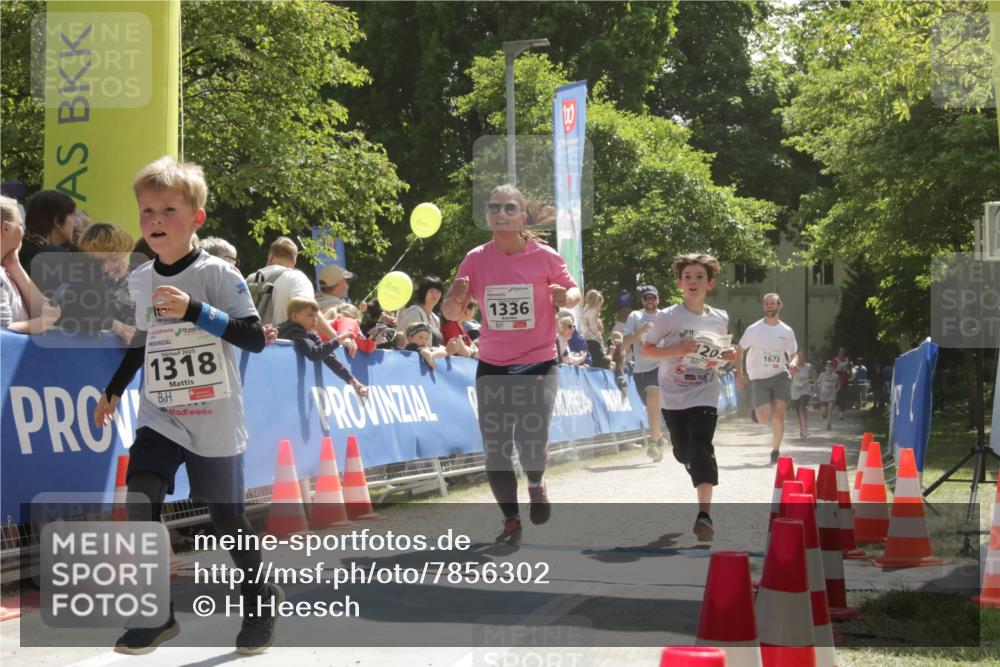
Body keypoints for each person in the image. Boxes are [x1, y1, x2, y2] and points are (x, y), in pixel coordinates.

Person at [91, 156, 281, 655]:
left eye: (168, 211)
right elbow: (144, 340)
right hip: (161, 411)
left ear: (196, 218)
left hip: (215, 414)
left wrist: (195, 309)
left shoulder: (218, 273)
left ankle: (259, 600)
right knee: (141, 498)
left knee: (227, 521)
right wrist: (114, 389)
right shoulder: (140, 279)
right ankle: (157, 615)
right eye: (147, 211)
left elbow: (253, 338)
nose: (155, 220)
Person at [441, 184, 580, 545]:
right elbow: (452, 312)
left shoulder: (545, 256)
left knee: (531, 441)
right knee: (496, 447)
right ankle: (511, 521)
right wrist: (456, 299)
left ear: (522, 217)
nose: (500, 213)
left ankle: (535, 481)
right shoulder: (475, 259)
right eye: (494, 208)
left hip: (538, 362)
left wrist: (565, 297)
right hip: (493, 364)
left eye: (509, 208)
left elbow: (573, 291)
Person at [641, 253, 735, 542]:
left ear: (710, 284)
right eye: (688, 277)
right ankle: (689, 459)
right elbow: (646, 350)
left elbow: (721, 353)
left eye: (699, 277)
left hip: (705, 392)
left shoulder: (720, 317)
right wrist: (676, 350)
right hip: (673, 396)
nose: (693, 282)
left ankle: (704, 516)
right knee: (684, 452)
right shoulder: (668, 316)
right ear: (679, 283)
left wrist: (728, 356)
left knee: (702, 447)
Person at [249, 237, 348, 352]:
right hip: (284, 352)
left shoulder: (250, 280)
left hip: (248, 350)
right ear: (294, 261)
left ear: (271, 256)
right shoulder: (297, 278)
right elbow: (309, 311)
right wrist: (336, 338)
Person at [735, 293, 799, 464]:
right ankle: (760, 411)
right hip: (759, 378)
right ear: (764, 306)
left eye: (772, 303)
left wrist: (793, 363)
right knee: (764, 419)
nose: (769, 305)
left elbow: (794, 353)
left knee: (779, 416)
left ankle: (775, 451)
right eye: (766, 303)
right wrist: (739, 373)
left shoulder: (786, 331)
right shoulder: (754, 329)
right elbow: (739, 350)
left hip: (780, 376)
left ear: (779, 305)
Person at [277, 297, 368, 397]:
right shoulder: (294, 331)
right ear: (294, 317)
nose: (315, 320)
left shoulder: (309, 334)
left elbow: (328, 357)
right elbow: (315, 354)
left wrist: (353, 381)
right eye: (310, 315)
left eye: (316, 316)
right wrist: (338, 340)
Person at [0, 195, 61, 333]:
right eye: (21, 225)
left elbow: (42, 310)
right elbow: (2, 332)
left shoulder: (7, 268)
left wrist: (14, 266)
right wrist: (42, 324)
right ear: (5, 228)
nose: (24, 232)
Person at [622, 285, 667, 462]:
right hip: (641, 369)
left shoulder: (664, 316)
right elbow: (624, 343)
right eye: (647, 298)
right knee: (650, 407)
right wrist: (641, 331)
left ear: (658, 299)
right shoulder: (635, 316)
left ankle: (654, 442)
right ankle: (659, 438)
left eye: (653, 298)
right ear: (642, 300)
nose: (650, 301)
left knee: (653, 397)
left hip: (661, 365)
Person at [21, 189, 77, 282]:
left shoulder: (15, 248)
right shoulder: (54, 256)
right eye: (72, 216)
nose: (75, 224)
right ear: (57, 221)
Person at [397, 275, 444, 346]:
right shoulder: (414, 313)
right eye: (431, 291)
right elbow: (406, 342)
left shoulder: (436, 319)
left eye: (438, 291)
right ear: (424, 292)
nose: (435, 294)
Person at [580, 289, 611, 369]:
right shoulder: (592, 312)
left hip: (588, 339)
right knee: (600, 363)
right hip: (593, 341)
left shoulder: (585, 311)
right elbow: (593, 327)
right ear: (597, 302)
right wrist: (599, 337)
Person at [789, 353, 816, 439]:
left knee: (802, 408)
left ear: (804, 358)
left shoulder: (808, 366)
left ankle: (804, 428)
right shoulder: (793, 366)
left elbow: (814, 375)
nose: (800, 359)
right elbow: (788, 376)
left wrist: (815, 385)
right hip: (795, 391)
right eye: (799, 358)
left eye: (802, 357)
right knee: (798, 412)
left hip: (805, 391)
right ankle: (802, 429)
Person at [818, 360, 841, 430]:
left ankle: (829, 423)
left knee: (830, 410)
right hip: (823, 395)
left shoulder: (835, 376)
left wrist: (836, 391)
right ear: (825, 367)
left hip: (831, 395)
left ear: (833, 368)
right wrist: (818, 390)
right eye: (827, 366)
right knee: (823, 412)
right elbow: (818, 383)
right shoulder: (821, 375)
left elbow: (839, 384)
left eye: (830, 367)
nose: (829, 368)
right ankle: (824, 416)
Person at [832, 347, 852, 418]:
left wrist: (848, 370)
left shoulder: (846, 359)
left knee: (843, 396)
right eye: (840, 351)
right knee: (836, 395)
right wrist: (840, 368)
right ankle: (836, 407)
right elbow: (833, 370)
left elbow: (849, 369)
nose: (841, 353)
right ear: (838, 352)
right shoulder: (835, 359)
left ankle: (841, 413)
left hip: (844, 380)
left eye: (842, 351)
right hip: (836, 380)